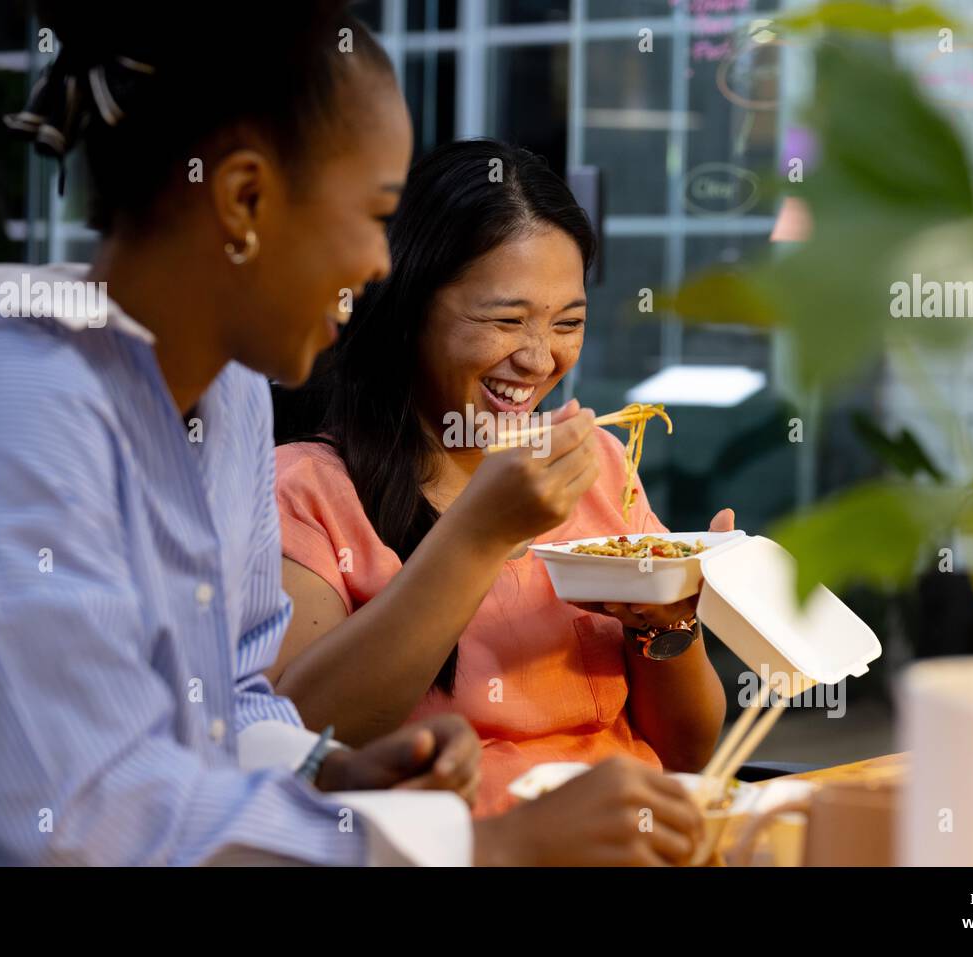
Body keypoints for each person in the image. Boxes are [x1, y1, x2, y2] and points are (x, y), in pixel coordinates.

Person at [0, 3, 701, 866]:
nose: (379, 266)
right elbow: (88, 826)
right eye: (373, 215)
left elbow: (235, 702)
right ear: (244, 199)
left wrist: (333, 768)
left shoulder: (231, 399)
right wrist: (487, 849)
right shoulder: (20, 405)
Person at [271, 139, 732, 817]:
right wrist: (482, 534)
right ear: (409, 308)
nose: (540, 357)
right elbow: (301, 744)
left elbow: (689, 752)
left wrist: (669, 620)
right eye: (506, 320)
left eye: (568, 323)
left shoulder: (597, 463)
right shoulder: (305, 490)